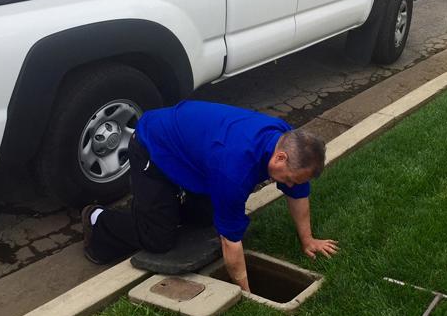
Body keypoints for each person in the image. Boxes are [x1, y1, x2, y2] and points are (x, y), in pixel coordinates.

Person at [82, 100, 339, 291]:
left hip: (199, 156)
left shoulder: (288, 141)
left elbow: (298, 191)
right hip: (155, 146)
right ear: (280, 157)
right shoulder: (234, 170)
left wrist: (308, 240)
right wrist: (246, 293)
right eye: (288, 179)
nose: (289, 185)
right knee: (157, 239)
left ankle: (165, 209)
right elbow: (231, 242)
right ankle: (98, 219)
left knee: (206, 218)